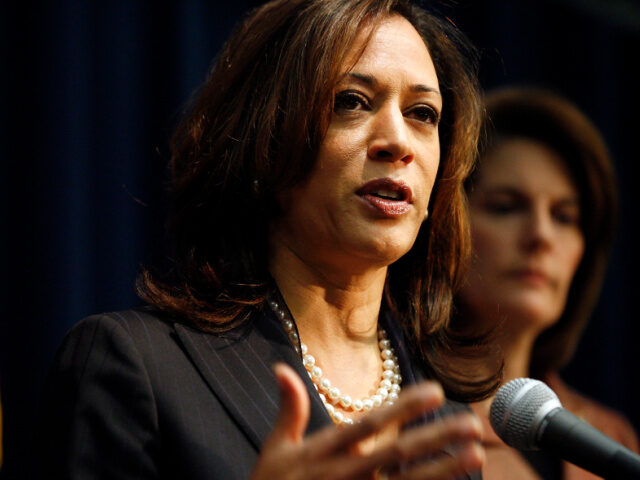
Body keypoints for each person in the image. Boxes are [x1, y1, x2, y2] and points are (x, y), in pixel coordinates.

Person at [35, 1, 500, 478]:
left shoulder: (448, 428)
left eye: (423, 113)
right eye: (352, 102)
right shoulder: (135, 366)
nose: (398, 142)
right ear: (266, 139)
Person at [458, 87, 639, 480]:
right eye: (505, 207)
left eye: (564, 217)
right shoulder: (403, 415)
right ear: (445, 225)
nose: (541, 235)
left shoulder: (611, 435)